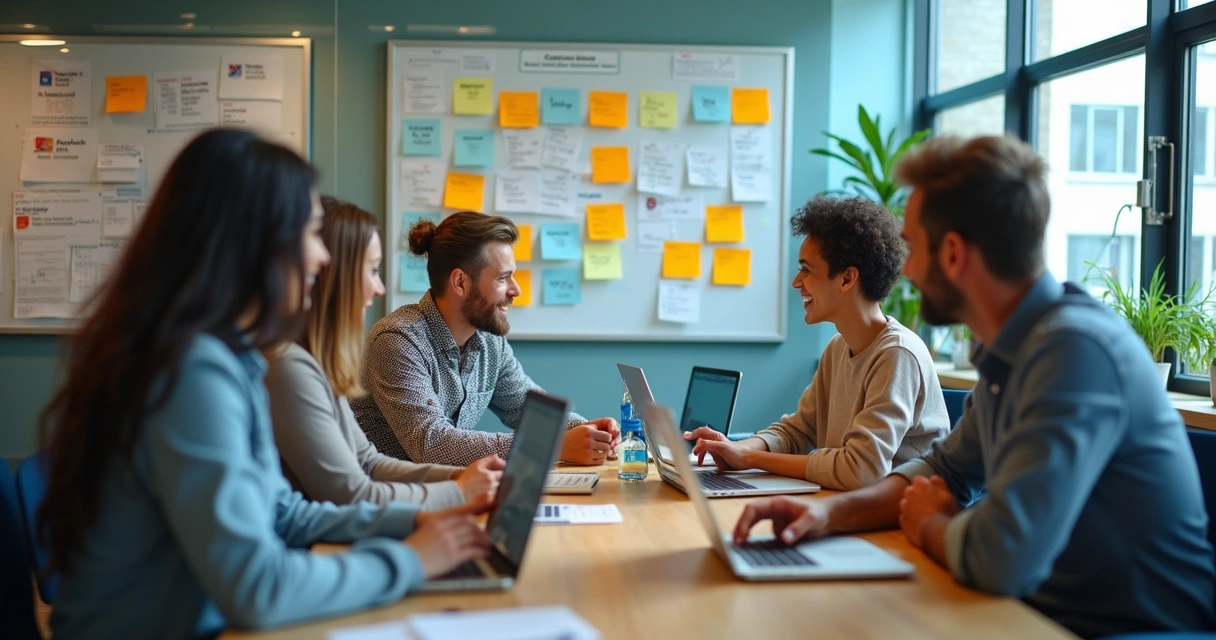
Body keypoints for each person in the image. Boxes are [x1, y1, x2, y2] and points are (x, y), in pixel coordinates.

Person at [732, 135, 1216, 638]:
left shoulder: (1073, 352)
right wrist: (822, 515)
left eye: (914, 248)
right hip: (1036, 614)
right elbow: (943, 471)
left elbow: (1002, 557)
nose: (907, 270)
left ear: (956, 253)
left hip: (1125, 630)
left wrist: (931, 525)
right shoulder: (1013, 351)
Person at [37, 129, 492, 639]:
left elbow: (286, 513)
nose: (321, 259)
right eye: (306, 233)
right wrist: (406, 563)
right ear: (252, 244)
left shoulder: (229, 358)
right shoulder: (191, 372)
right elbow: (258, 588)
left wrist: (421, 525)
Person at [682, 197, 949, 490]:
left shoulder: (897, 355)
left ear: (847, 278)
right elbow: (797, 431)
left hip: (897, 526)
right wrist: (736, 448)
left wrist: (751, 458)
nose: (797, 282)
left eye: (806, 269)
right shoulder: (838, 348)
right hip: (850, 507)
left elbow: (860, 470)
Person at [264, 197, 504, 510]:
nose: (379, 289)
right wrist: (460, 492)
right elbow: (349, 492)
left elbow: (368, 463)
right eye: (373, 270)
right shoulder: (291, 368)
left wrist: (464, 478)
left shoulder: (317, 364)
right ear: (335, 275)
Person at [351, 211, 620, 467]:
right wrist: (550, 445)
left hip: (447, 495)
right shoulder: (397, 340)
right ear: (460, 283)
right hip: (385, 503)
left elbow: (529, 410)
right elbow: (431, 443)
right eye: (504, 278)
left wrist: (586, 430)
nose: (516, 290)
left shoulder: (490, 342)